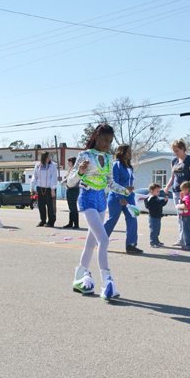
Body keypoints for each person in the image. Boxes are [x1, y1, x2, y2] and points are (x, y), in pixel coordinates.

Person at [67, 124, 133, 300]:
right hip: (87, 199)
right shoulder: (85, 155)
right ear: (96, 137)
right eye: (104, 140)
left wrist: (124, 190)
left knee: (91, 241)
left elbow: (110, 182)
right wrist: (80, 171)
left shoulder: (108, 158)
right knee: (103, 240)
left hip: (101, 202)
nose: (107, 144)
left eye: (110, 141)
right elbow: (70, 182)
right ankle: (107, 282)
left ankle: (79, 277)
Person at [103, 144, 142, 254]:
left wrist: (130, 189)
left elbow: (127, 181)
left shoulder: (129, 166)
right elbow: (114, 183)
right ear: (122, 152)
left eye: (131, 151)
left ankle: (131, 245)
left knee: (132, 219)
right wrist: (120, 197)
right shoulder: (116, 165)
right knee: (113, 220)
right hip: (117, 197)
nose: (130, 153)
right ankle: (101, 240)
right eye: (128, 151)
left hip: (129, 197)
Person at [164, 139, 190, 247]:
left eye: (177, 150)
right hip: (176, 192)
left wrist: (188, 186)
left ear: (183, 149)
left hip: (185, 194)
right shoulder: (174, 161)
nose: (175, 153)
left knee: (185, 216)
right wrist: (167, 186)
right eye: (174, 151)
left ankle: (188, 240)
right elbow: (172, 177)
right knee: (179, 215)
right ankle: (182, 238)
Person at [30, 151, 58, 227]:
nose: (48, 158)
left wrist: (52, 189)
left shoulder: (52, 166)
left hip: (49, 189)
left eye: (49, 157)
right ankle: (43, 220)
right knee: (41, 205)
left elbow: (54, 178)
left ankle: (51, 221)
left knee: (50, 206)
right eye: (47, 157)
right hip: (40, 188)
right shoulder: (38, 166)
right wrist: (32, 187)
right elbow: (34, 176)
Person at [144, 183, 168, 247]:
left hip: (158, 216)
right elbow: (156, 204)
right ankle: (152, 242)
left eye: (159, 191)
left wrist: (165, 201)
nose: (158, 193)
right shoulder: (151, 198)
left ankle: (156, 241)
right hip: (153, 217)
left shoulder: (156, 198)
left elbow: (161, 204)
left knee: (157, 230)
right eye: (157, 191)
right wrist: (163, 200)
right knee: (154, 230)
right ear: (151, 191)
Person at [177, 181, 190, 250]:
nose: (182, 191)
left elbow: (187, 206)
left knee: (186, 231)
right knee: (186, 230)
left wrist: (179, 206)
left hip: (187, 215)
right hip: (186, 215)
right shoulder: (187, 196)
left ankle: (189, 245)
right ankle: (189, 244)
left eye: (183, 190)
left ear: (187, 189)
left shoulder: (189, 197)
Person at [62, 157, 80, 229]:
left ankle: (76, 224)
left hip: (74, 189)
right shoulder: (70, 170)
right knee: (70, 206)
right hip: (69, 188)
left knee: (73, 206)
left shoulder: (76, 170)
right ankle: (70, 222)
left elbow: (75, 180)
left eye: (69, 162)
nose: (68, 163)